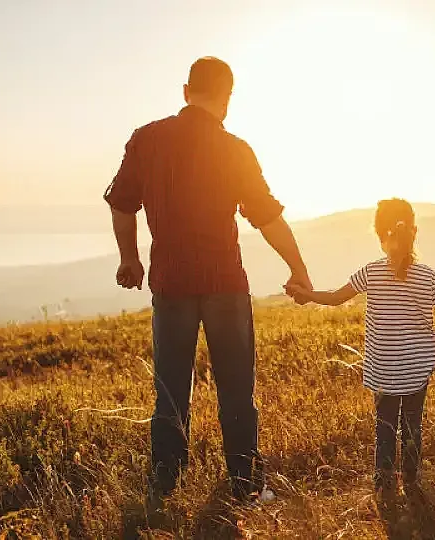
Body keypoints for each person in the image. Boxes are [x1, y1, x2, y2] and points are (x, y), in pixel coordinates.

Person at [104, 57, 312, 504]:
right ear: (227, 99)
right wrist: (298, 267)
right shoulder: (235, 149)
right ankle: (246, 483)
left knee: (170, 388)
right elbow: (268, 216)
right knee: (237, 388)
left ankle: (165, 482)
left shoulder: (147, 140)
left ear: (185, 91)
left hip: (170, 281)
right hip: (225, 283)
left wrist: (130, 260)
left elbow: (121, 203)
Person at [286, 198, 435, 499]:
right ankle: (411, 480)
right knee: (413, 425)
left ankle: (383, 483)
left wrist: (307, 294)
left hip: (383, 368)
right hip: (417, 368)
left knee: (384, 426)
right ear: (415, 231)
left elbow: (334, 297)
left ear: (379, 235)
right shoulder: (429, 276)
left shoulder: (371, 272)